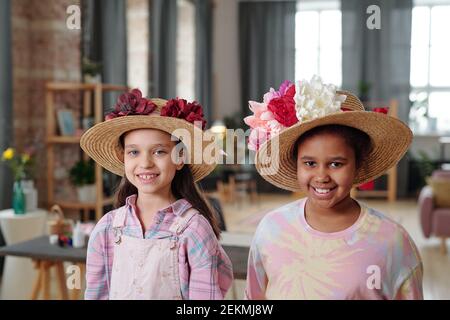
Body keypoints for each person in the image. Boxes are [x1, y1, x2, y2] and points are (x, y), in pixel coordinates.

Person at [244, 75, 423, 299]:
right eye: (309, 163)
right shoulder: (271, 229)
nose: (321, 176)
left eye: (336, 164)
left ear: (358, 166)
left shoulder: (392, 240)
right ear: (296, 164)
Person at [81, 89, 233, 299]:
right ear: (124, 158)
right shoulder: (107, 229)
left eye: (159, 151)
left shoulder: (195, 231)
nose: (145, 163)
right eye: (134, 152)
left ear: (180, 158)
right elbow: (96, 294)